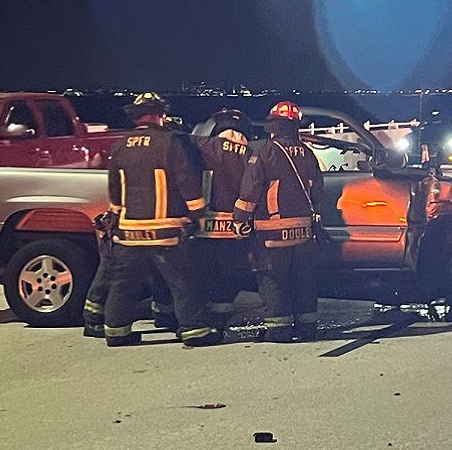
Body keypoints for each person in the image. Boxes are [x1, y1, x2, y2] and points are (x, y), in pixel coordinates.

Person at [101, 92, 215, 347]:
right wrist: (197, 213)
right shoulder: (169, 142)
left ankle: (116, 332)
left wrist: (116, 215)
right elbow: (186, 180)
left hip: (129, 232)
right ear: (159, 115)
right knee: (183, 282)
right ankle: (195, 331)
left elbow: (114, 188)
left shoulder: (120, 145)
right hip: (166, 232)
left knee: (123, 284)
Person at [234, 101, 325, 342]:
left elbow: (250, 191)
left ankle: (278, 329)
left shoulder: (265, 152)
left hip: (272, 232)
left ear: (272, 125)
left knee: (273, 279)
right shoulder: (308, 154)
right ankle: (307, 327)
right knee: (303, 279)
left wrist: (240, 220)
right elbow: (318, 192)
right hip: (303, 233)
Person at [193, 109, 253, 323]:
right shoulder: (251, 155)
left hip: (204, 226)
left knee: (202, 270)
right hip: (235, 228)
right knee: (229, 274)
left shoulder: (202, 146)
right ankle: (221, 313)